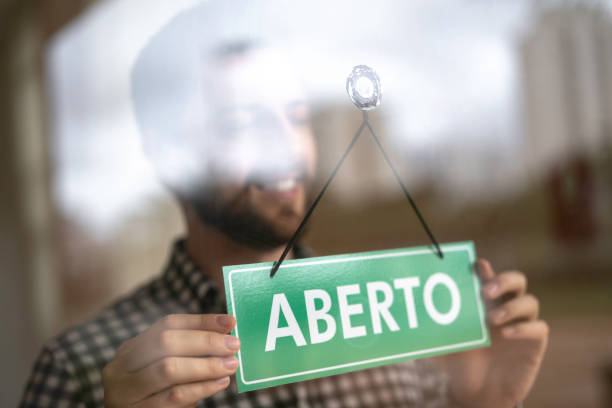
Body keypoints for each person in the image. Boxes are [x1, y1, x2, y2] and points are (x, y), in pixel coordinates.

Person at [20, 6, 548, 408]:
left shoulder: (390, 329)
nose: (286, 148)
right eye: (243, 122)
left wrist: (485, 401)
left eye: (295, 117)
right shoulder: (81, 370)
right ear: (169, 155)